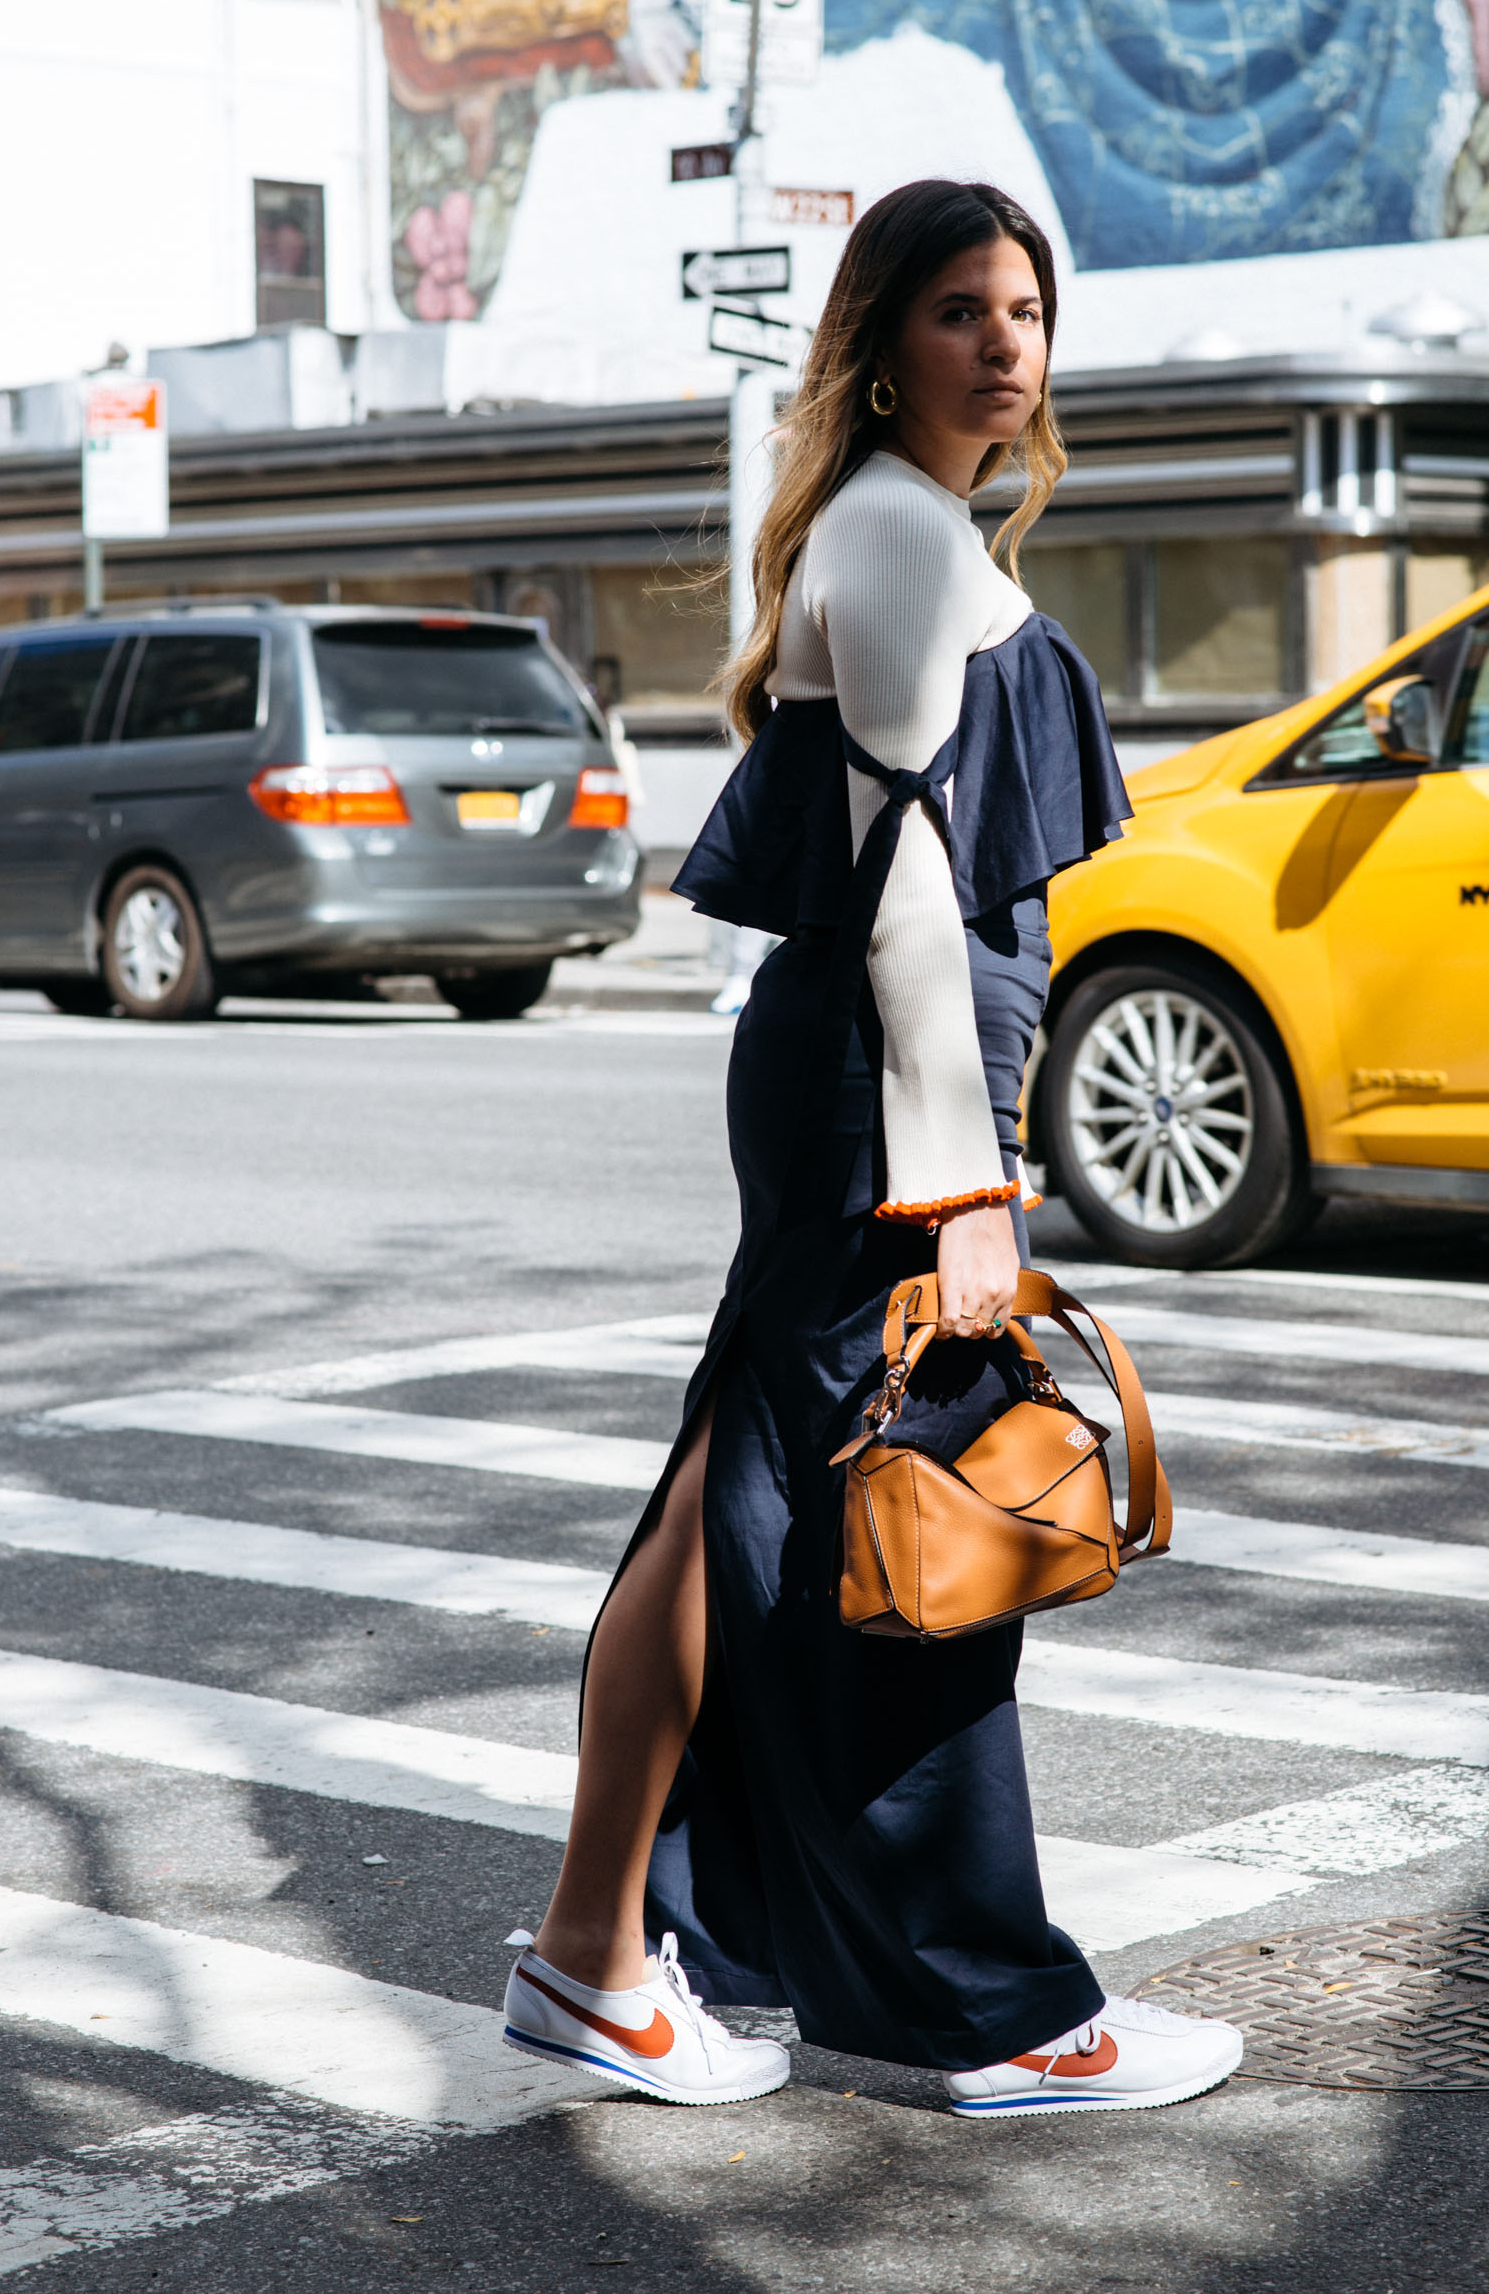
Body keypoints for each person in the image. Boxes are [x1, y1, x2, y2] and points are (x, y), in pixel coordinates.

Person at [500, 179, 1245, 2116]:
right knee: (917, 1519)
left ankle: (599, 1952)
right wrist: (968, 1187)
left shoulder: (903, 524)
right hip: (879, 1110)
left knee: (732, 1500)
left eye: (1024, 308)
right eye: (956, 310)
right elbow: (909, 886)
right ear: (875, 342)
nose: (1005, 343)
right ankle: (982, 2008)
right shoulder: (902, 533)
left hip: (853, 1089)